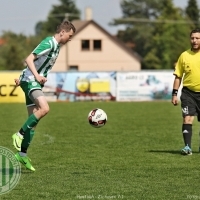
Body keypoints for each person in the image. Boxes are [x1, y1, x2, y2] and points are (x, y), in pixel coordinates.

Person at [12, 20, 76, 171]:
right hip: (31, 81)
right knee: (45, 108)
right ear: (62, 32)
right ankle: (19, 134)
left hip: (30, 81)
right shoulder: (49, 43)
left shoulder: (58, 47)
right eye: (70, 35)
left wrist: (24, 78)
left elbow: (40, 63)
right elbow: (29, 59)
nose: (70, 39)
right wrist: (36, 76)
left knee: (33, 121)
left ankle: (22, 154)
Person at [171, 28, 200, 156]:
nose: (194, 41)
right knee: (187, 119)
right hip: (188, 93)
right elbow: (178, 76)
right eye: (192, 38)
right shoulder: (184, 55)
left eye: (197, 38)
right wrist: (174, 94)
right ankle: (187, 147)